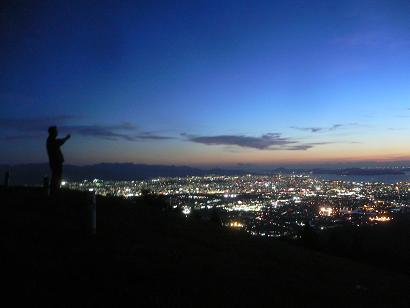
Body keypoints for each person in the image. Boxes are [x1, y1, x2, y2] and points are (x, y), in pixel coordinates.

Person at [46, 126, 70, 195]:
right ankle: (54, 192)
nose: (57, 132)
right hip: (56, 162)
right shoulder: (51, 140)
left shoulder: (50, 140)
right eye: (56, 131)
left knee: (56, 177)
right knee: (56, 177)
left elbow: (59, 142)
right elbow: (60, 142)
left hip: (55, 162)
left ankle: (54, 191)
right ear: (53, 132)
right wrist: (66, 138)